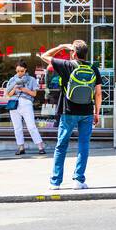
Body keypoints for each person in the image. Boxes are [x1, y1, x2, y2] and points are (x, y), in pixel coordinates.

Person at [40, 39, 103, 190]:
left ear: (73, 53)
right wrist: (97, 113)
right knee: (84, 145)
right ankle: (78, 180)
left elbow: (44, 56)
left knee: (61, 146)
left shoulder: (66, 65)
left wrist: (61, 46)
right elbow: (98, 93)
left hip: (68, 111)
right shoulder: (93, 68)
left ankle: (55, 182)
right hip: (87, 112)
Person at [5, 59, 46, 156]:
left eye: (22, 71)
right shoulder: (12, 80)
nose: (19, 73)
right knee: (17, 127)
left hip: (26, 103)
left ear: (25, 70)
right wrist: (14, 88)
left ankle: (40, 146)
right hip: (14, 103)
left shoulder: (31, 79)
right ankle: (21, 147)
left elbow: (34, 94)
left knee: (31, 126)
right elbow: (8, 95)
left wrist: (24, 89)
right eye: (18, 71)